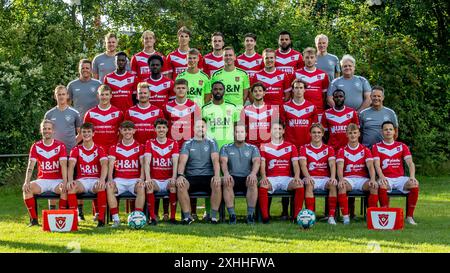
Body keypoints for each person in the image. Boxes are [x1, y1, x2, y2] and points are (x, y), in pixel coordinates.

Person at [372, 121, 420, 225]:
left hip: (400, 178)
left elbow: (410, 163)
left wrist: (412, 176)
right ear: (382, 132)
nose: (388, 131)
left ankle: (409, 216)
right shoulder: (376, 147)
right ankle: (385, 214)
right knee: (382, 184)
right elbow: (376, 165)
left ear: (394, 131)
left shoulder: (402, 146)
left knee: (414, 184)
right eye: (385, 129)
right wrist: (381, 176)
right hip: (386, 177)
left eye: (390, 129)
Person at [22, 120, 68, 226]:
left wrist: (65, 181)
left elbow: (63, 165)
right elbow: (31, 165)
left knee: (64, 189)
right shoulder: (36, 146)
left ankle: (61, 218)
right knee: (27, 189)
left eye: (49, 128)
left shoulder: (60, 146)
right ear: (41, 131)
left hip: (57, 180)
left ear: (53, 131)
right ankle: (34, 220)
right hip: (42, 180)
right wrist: (26, 181)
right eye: (44, 128)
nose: (47, 131)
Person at [176, 119, 222, 224]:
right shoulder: (187, 144)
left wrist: (217, 175)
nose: (200, 129)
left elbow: (215, 160)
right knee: (181, 184)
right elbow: (182, 162)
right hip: (192, 177)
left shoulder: (212, 142)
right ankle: (187, 217)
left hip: (208, 176)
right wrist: (180, 175)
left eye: (202, 126)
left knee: (217, 183)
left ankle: (213, 217)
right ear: (193, 129)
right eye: (198, 126)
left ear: (206, 129)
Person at [258, 120, 304, 224]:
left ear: (283, 131)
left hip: (286, 178)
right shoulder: (264, 146)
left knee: (299, 185)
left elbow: (296, 164)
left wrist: (297, 176)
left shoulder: (291, 146)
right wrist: (264, 177)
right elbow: (262, 164)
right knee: (263, 186)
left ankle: (296, 217)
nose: (277, 131)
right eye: (274, 129)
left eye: (279, 129)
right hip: (271, 178)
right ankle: (265, 218)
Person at [335, 123, 378, 225]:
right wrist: (341, 179)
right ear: (346, 135)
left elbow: (371, 166)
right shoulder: (342, 150)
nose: (353, 135)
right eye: (350, 133)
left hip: (362, 180)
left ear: (359, 134)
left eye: (355, 133)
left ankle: (372, 216)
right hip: (348, 179)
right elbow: (339, 167)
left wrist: (372, 179)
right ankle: (346, 217)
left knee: (374, 186)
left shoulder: (365, 150)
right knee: (341, 186)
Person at [67, 122, 108, 227]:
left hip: (95, 180)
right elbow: (71, 166)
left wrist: (102, 179)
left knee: (101, 187)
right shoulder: (76, 149)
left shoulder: (100, 149)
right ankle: (74, 219)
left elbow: (104, 165)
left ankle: (101, 219)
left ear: (93, 133)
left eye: (89, 132)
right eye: (84, 132)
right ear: (80, 134)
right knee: (71, 188)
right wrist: (70, 180)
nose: (86, 134)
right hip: (82, 181)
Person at [106, 121, 146, 228]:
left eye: (129, 130)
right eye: (124, 130)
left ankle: (138, 217)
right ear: (120, 131)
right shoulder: (114, 147)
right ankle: (116, 220)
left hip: (134, 179)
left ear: (134, 131)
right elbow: (110, 165)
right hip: (120, 180)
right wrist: (110, 179)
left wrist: (142, 178)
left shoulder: (140, 147)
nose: (127, 132)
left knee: (142, 187)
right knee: (109, 187)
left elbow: (143, 164)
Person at [220, 124, 260, 224]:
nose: (240, 134)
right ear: (233, 134)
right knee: (227, 181)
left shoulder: (253, 148)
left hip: (247, 177)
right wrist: (226, 173)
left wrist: (253, 173)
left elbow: (257, 161)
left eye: (242, 132)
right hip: (232, 177)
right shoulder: (225, 148)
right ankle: (232, 215)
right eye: (237, 132)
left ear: (246, 134)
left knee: (253, 181)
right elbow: (223, 162)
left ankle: (250, 215)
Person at [298, 123, 338, 225]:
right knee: (309, 184)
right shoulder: (304, 148)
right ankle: (311, 215)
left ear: (323, 134)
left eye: (319, 132)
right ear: (310, 134)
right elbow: (303, 165)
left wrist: (333, 177)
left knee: (333, 184)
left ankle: (331, 216)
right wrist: (307, 177)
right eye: (314, 132)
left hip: (324, 178)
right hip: (311, 177)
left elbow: (332, 165)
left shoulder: (329, 149)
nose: (316, 135)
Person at [144, 118, 179, 224]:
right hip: (156, 180)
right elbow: (146, 162)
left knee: (173, 186)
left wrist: (173, 177)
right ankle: (152, 218)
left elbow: (175, 162)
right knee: (149, 186)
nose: (161, 130)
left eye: (164, 127)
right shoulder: (149, 143)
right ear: (155, 129)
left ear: (167, 129)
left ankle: (172, 217)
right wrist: (148, 178)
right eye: (158, 127)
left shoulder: (173, 143)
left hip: (168, 179)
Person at [84, 84, 124, 154]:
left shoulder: (118, 113)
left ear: (111, 96)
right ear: (98, 96)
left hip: (113, 150)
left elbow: (122, 132)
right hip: (95, 150)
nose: (104, 97)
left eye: (106, 94)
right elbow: (85, 133)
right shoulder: (90, 113)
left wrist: (118, 146)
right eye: (102, 94)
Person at [281, 79, 319, 151]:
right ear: (292, 90)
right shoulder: (284, 107)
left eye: (301, 88)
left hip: (307, 145)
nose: (299, 90)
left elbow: (315, 129)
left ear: (305, 90)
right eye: (296, 88)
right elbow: (282, 128)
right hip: (290, 145)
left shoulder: (312, 107)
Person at [293, 47, 329, 121]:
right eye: (307, 57)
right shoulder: (297, 73)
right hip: (301, 111)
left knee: (317, 132)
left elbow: (325, 95)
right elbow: (292, 93)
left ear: (316, 58)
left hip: (318, 110)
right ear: (303, 58)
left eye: (312, 57)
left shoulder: (323, 74)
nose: (309, 60)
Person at [44, 85, 82, 155]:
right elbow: (45, 133)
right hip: (54, 152)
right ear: (55, 97)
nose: (61, 97)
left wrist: (73, 143)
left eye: (63, 94)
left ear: (67, 95)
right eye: (59, 94)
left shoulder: (75, 113)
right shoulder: (49, 114)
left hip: (70, 152)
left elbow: (81, 133)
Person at [201, 81, 240, 149]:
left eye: (220, 89)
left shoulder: (232, 107)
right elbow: (201, 129)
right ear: (211, 91)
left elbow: (236, 128)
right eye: (215, 89)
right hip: (211, 147)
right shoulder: (205, 108)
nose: (218, 91)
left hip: (229, 147)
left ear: (224, 91)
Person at [240, 82, 280, 146]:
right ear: (252, 93)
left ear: (264, 93)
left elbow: (276, 130)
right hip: (250, 145)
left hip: (267, 145)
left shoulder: (272, 109)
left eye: (260, 91)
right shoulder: (245, 110)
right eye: (255, 91)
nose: (258, 93)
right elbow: (241, 129)